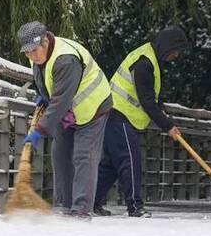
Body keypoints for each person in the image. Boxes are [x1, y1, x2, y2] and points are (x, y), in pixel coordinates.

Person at [18, 21, 112, 219]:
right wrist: (43, 95)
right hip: (69, 110)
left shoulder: (65, 60)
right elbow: (45, 80)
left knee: (83, 155)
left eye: (34, 51)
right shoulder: (36, 56)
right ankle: (65, 204)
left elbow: (60, 102)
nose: (31, 57)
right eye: (27, 53)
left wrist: (39, 131)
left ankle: (81, 209)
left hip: (92, 107)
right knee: (59, 152)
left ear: (45, 42)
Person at [94, 26, 188, 217]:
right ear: (167, 46)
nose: (176, 55)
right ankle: (135, 207)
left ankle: (90, 202)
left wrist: (163, 114)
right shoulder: (144, 62)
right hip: (117, 113)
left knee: (111, 165)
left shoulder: (152, 59)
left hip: (117, 115)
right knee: (130, 160)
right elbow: (146, 101)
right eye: (175, 50)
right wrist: (167, 125)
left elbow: (154, 97)